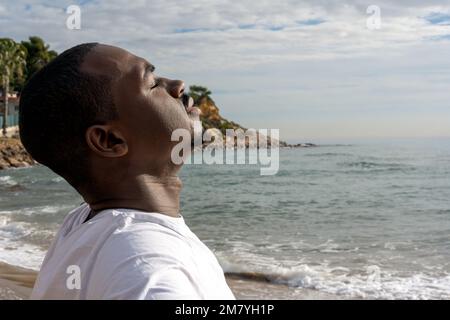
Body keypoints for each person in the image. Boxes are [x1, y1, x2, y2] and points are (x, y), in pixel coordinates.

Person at [19, 43, 235, 300]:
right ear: (110, 141)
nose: (178, 85)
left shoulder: (83, 222)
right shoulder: (152, 273)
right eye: (152, 84)